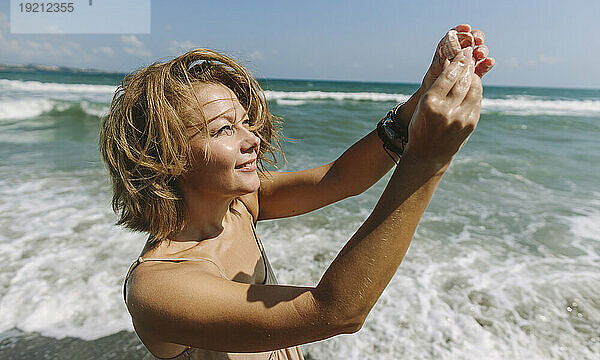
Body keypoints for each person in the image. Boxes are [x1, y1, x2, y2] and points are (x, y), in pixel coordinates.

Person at [99, 24, 494, 359]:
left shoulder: (236, 208)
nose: (251, 139)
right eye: (223, 129)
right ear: (163, 158)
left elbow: (341, 178)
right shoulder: (159, 287)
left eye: (245, 122)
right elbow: (336, 312)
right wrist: (427, 161)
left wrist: (422, 98)